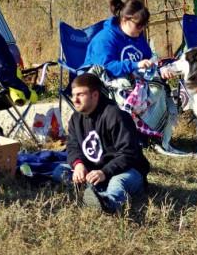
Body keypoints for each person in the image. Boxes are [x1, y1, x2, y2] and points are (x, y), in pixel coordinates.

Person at [83, 0, 180, 151]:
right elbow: (105, 67)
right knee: (131, 92)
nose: (142, 29)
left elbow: (149, 59)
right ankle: (130, 134)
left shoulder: (138, 37)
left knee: (158, 87)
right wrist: (135, 65)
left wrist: (159, 69)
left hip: (136, 83)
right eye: (139, 25)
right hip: (109, 85)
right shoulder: (105, 39)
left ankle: (149, 133)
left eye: (144, 25)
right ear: (125, 19)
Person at [52, 73, 150, 214]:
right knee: (60, 171)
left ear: (95, 95)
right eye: (73, 95)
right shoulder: (75, 118)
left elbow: (129, 154)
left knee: (117, 183)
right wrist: (78, 164)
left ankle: (108, 202)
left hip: (126, 171)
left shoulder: (116, 116)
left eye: (80, 95)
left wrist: (105, 172)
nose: (75, 100)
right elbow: (73, 146)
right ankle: (92, 192)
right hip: (94, 170)